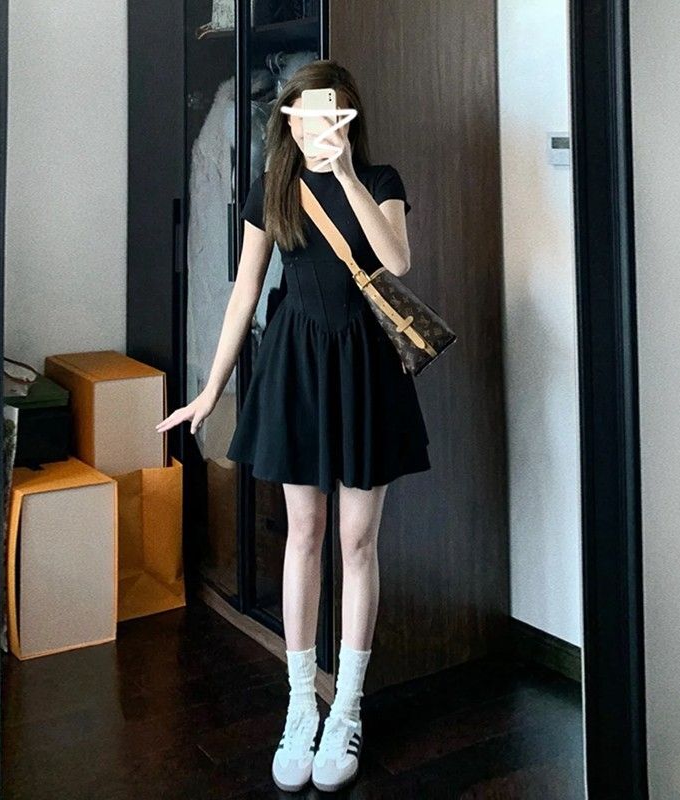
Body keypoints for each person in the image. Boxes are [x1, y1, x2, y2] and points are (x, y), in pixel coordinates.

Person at [156, 59, 431, 793]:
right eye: (306, 111)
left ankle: (348, 707)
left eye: (331, 111)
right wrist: (211, 388)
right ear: (289, 119)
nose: (317, 123)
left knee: (358, 541)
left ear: (349, 117)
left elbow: (398, 259)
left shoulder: (381, 180)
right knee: (303, 534)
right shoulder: (272, 188)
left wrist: (344, 175)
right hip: (297, 366)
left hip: (366, 369)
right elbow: (245, 288)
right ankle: (300, 703)